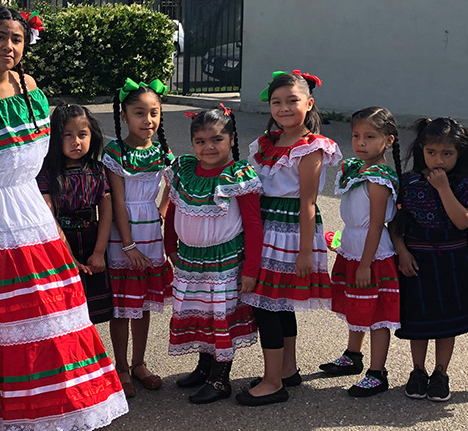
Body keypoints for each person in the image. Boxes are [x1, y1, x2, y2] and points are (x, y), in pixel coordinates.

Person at [0, 6, 126, 431]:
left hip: (35, 212)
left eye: (16, 39)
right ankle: (12, 409)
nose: (8, 47)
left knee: (54, 311)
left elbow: (42, 162)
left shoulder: (30, 86)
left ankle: (64, 403)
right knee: (5, 320)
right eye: (0, 37)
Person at [238, 70, 341, 406]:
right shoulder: (269, 142)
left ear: (308, 103)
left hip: (290, 233)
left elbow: (308, 201)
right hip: (265, 227)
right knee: (278, 303)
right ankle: (287, 369)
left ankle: (272, 382)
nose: (283, 108)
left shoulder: (310, 147)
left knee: (265, 305)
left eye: (292, 101)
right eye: (276, 102)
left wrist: (305, 253)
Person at [162, 105, 261, 404]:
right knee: (202, 314)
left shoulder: (238, 175)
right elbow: (172, 210)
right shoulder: (184, 171)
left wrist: (251, 270)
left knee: (219, 315)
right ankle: (204, 367)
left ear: (231, 139)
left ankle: (220, 379)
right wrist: (170, 246)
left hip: (224, 261)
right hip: (190, 259)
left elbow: (254, 225)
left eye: (217, 139)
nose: (209, 147)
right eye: (201, 141)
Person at [390, 116, 468, 402]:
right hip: (415, 258)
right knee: (418, 321)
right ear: (421, 151)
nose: (438, 160)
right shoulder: (409, 181)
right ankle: (417, 370)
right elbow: (395, 223)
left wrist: (443, 188)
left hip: (451, 261)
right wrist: (401, 250)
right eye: (431, 153)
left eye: (447, 153)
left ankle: (440, 373)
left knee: (446, 323)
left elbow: (462, 222)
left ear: (460, 153)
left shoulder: (467, 184)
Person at [320, 107, 402, 397]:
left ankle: (378, 373)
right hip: (354, 249)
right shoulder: (356, 169)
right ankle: (352, 355)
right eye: (356, 135)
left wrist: (366, 264)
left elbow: (376, 225)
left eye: (370, 136)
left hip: (372, 255)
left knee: (377, 315)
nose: (361, 142)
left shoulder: (379, 179)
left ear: (388, 140)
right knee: (357, 306)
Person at [102, 78, 176, 396]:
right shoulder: (115, 151)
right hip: (123, 237)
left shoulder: (162, 151)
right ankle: (120, 366)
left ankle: (139, 363)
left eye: (154, 113)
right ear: (124, 116)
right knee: (122, 306)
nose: (148, 121)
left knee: (143, 304)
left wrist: (161, 208)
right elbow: (117, 201)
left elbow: (173, 183)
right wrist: (128, 245)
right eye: (139, 113)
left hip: (151, 234)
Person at [37, 104, 115, 324]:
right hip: (61, 243)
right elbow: (49, 216)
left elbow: (106, 211)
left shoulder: (98, 170)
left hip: (93, 241)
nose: (76, 142)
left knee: (94, 309)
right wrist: (68, 258)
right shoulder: (46, 173)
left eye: (82, 134)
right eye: (67, 135)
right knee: (65, 310)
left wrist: (99, 252)